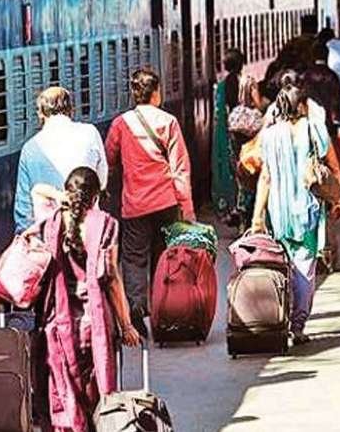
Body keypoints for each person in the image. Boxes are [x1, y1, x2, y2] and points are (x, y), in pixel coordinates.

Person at [38, 167, 141, 431]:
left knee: (66, 393)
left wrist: (62, 199)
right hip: (95, 325)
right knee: (96, 393)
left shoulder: (52, 222)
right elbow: (113, 279)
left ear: (68, 192)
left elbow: (37, 190)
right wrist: (126, 325)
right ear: (96, 197)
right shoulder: (106, 224)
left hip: (61, 326)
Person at [250, 81, 340, 344]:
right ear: (302, 105)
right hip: (308, 211)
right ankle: (297, 325)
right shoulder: (315, 129)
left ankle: (281, 318)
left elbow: (265, 177)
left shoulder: (269, 136)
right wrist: (338, 200)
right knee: (304, 268)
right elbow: (333, 167)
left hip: (279, 213)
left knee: (285, 266)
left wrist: (257, 217)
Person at [105, 67, 195, 334]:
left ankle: (135, 306)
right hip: (166, 203)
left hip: (135, 205)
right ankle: (162, 313)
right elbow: (180, 169)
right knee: (163, 258)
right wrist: (187, 209)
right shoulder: (168, 122)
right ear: (156, 93)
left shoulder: (121, 124)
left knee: (133, 258)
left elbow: (109, 158)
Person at [14, 87, 107, 232]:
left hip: (48, 232)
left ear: (41, 114)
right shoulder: (90, 133)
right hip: (89, 228)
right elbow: (101, 181)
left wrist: (26, 236)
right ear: (71, 109)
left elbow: (24, 204)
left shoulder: (30, 149)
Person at [212, 50, 245, 222]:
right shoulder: (237, 82)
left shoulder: (223, 84)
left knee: (227, 166)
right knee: (237, 168)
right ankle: (236, 206)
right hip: (235, 132)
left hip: (225, 131)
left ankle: (229, 206)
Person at [229, 74, 264, 230]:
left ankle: (241, 219)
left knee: (241, 189)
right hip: (253, 161)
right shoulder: (256, 116)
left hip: (239, 160)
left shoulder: (235, 114)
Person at [303, 36, 340, 134]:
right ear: (327, 56)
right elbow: (336, 99)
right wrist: (337, 119)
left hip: (312, 120)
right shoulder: (332, 75)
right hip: (328, 121)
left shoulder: (307, 75)